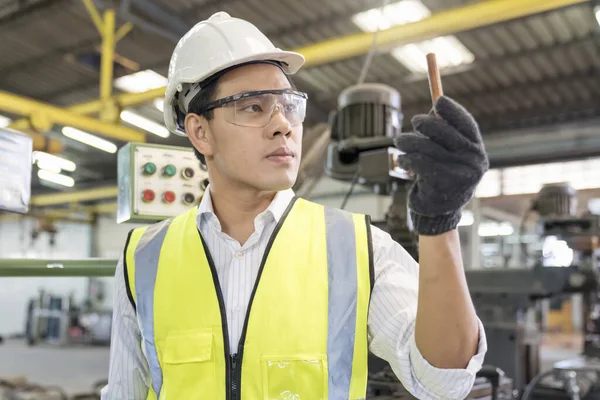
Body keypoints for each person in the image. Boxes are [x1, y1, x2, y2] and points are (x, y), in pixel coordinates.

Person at [101, 11, 489, 400]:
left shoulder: (356, 247)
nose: (282, 124)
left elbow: (444, 380)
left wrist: (440, 224)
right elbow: (124, 392)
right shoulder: (144, 258)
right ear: (200, 132)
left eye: (289, 105)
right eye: (252, 107)